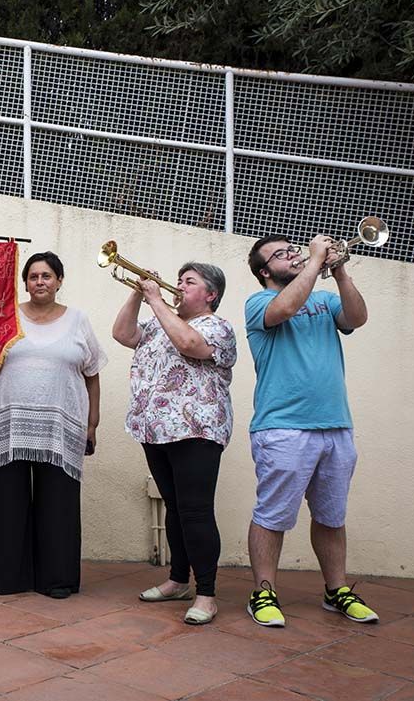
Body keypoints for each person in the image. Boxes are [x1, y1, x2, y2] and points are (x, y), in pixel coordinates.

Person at [244, 234, 377, 627]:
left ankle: (336, 590)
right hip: (282, 427)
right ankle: (263, 591)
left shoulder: (324, 299)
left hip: (336, 425)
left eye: (293, 249)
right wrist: (317, 260)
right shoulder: (258, 302)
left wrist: (340, 272)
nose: (293, 255)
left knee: (332, 516)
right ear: (265, 271)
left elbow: (357, 318)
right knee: (272, 514)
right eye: (280, 254)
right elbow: (285, 308)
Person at [0, 251, 105, 598]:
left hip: (60, 429)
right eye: (33, 276)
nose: (40, 282)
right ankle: (5, 575)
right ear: (25, 283)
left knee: (57, 506)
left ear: (59, 281)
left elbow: (92, 374)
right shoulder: (5, 317)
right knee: (5, 504)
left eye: (46, 276)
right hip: (7, 425)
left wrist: (92, 424)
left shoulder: (78, 320)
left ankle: (56, 579)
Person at [112, 262, 236, 625]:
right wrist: (137, 293)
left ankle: (206, 594)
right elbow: (122, 333)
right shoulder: (158, 324)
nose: (178, 286)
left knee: (196, 511)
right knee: (175, 508)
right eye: (179, 280)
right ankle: (178, 581)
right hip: (155, 430)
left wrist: (156, 299)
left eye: (189, 282)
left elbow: (189, 344)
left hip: (197, 431)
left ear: (210, 294)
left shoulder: (217, 327)